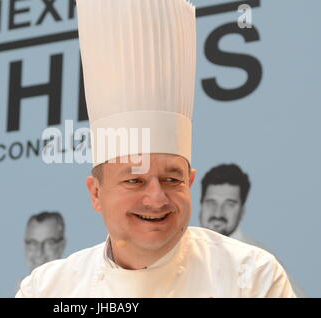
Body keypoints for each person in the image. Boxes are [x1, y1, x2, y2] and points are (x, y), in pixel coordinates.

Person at [16, 0, 295, 297]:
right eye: (134, 180)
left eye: (171, 179)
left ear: (190, 183)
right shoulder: (48, 289)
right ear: (96, 193)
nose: (157, 198)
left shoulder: (251, 275)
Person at [199, 163, 307, 297]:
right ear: (201, 204)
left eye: (230, 204)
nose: (218, 213)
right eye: (211, 202)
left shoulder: (261, 261)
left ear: (242, 210)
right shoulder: (182, 250)